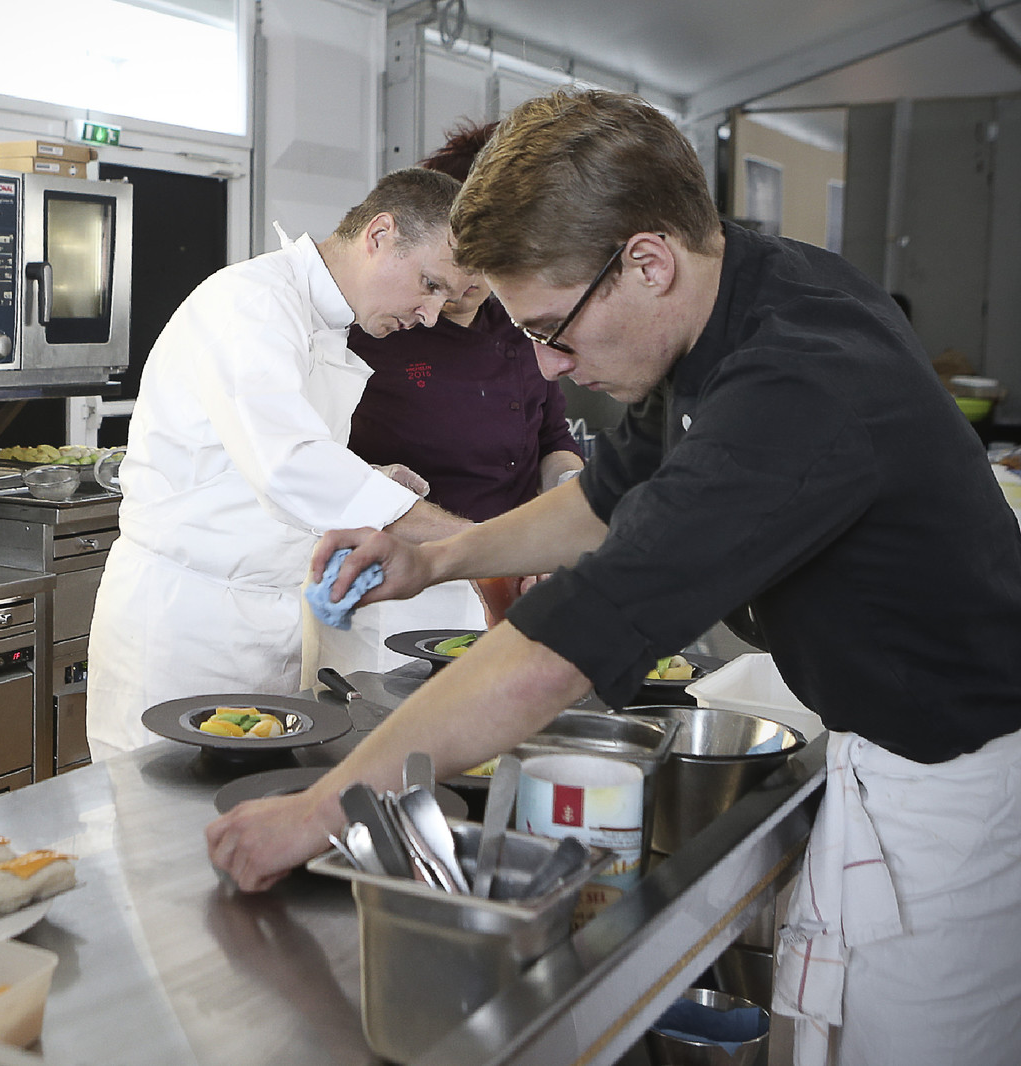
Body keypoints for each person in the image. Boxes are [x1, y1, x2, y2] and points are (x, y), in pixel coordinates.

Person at [207, 88, 1021, 1066]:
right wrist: (433, 559)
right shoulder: (730, 294)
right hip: (886, 753)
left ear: (647, 261)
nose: (548, 369)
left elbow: (556, 654)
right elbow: (606, 492)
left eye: (553, 329)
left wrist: (319, 808)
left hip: (955, 797)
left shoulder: (796, 384)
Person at [86, 168, 478, 757]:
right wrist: (476, 542)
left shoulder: (316, 320)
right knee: (162, 825)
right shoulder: (251, 301)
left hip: (267, 622)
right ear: (379, 235)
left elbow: (245, 462)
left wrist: (366, 480)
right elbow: (289, 468)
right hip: (185, 627)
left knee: (246, 819)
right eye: (429, 285)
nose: (428, 315)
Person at [318, 121, 583, 675]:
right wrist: (498, 548)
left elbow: (553, 439)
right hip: (405, 584)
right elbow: (318, 464)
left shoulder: (517, 323)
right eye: (442, 277)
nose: (463, 290)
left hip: (516, 580)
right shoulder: (375, 324)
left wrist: (563, 509)